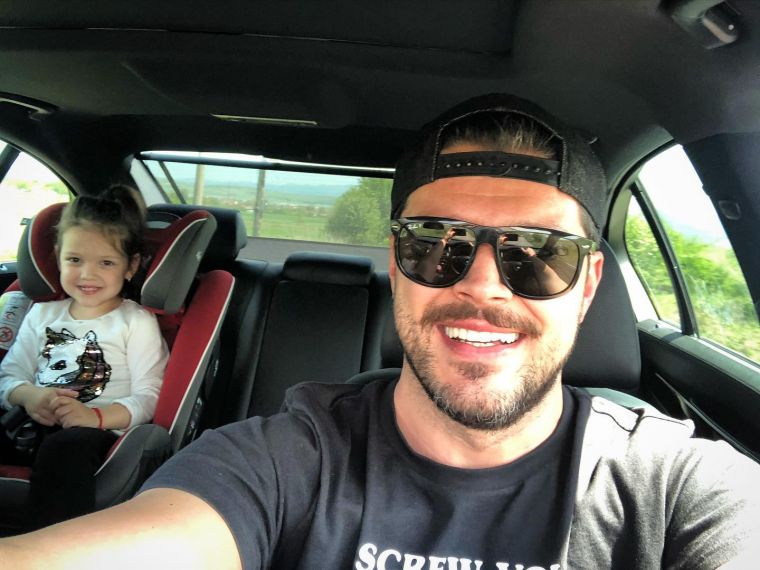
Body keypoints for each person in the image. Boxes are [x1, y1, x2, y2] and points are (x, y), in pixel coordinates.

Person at [0, 94, 758, 569]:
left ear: (588, 284)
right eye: (436, 244)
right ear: (398, 265)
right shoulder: (280, 462)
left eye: (537, 253)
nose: (481, 284)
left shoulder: (673, 487)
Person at [0, 185, 169, 528]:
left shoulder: (135, 321)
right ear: (58, 256)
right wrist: (29, 396)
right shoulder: (42, 314)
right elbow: (9, 376)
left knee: (66, 448)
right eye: (74, 260)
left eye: (106, 262)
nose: (87, 274)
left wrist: (95, 417)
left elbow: (149, 397)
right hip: (30, 423)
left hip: (97, 433)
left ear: (131, 266)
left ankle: (52, 545)